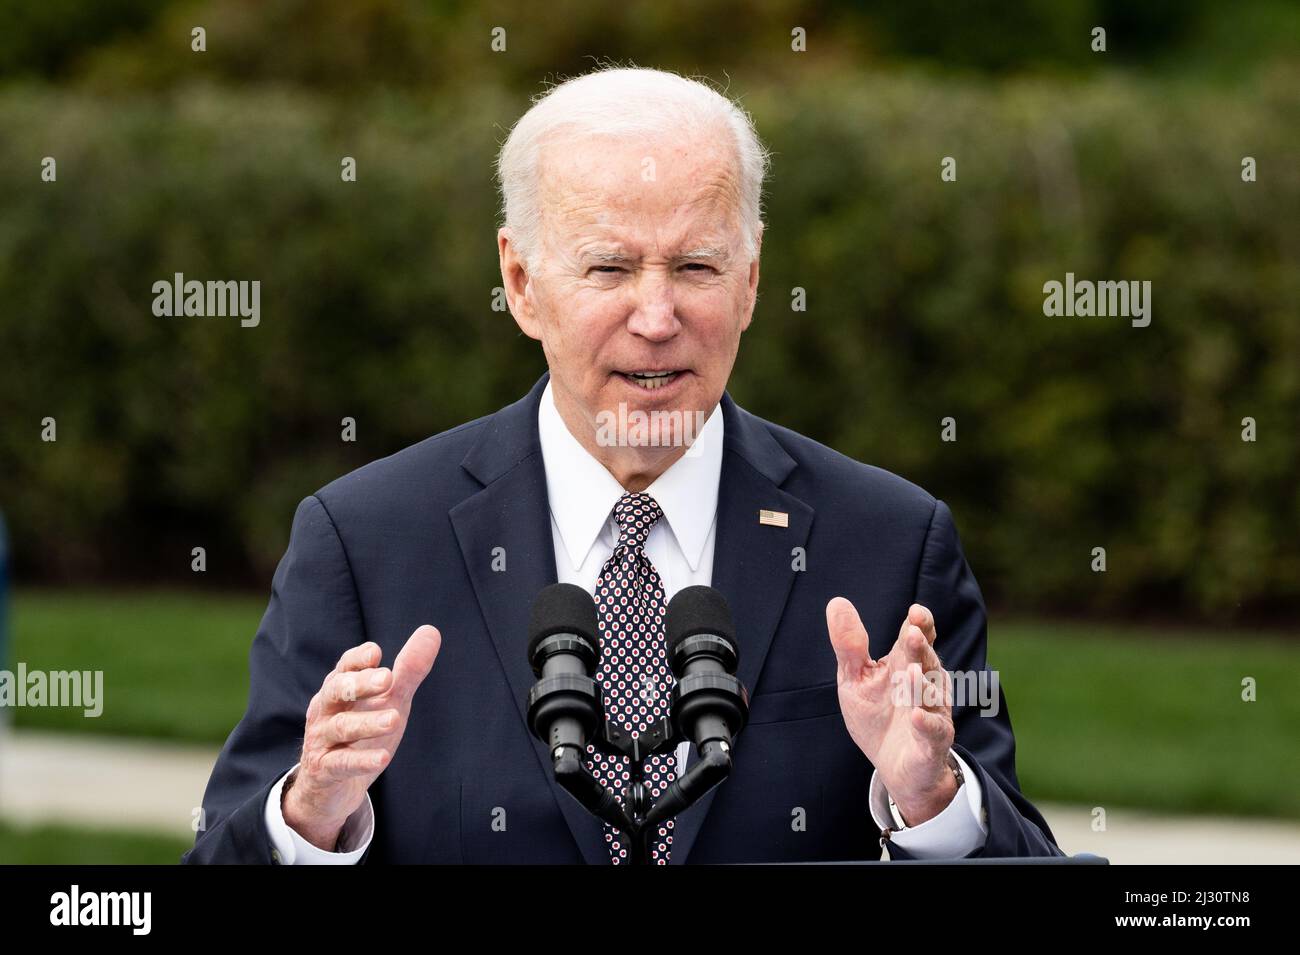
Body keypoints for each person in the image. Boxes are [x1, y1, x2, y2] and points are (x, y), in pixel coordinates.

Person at [184, 66, 1063, 864]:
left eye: (696, 265)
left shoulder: (891, 545)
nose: (656, 315)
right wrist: (311, 814)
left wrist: (929, 800)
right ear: (521, 282)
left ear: (751, 279)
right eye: (609, 267)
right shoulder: (366, 542)